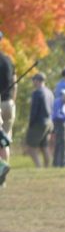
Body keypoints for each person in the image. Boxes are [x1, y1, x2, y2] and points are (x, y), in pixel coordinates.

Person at [24, 72, 53, 168]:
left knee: (30, 147)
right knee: (44, 146)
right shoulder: (49, 92)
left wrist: (30, 123)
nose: (33, 82)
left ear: (37, 80)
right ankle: (47, 167)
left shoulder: (37, 93)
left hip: (38, 123)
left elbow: (34, 110)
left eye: (34, 80)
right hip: (48, 122)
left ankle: (38, 167)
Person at [0, 31, 14, 184]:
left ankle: (0, 171)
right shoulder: (7, 60)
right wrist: (11, 101)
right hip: (8, 103)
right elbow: (14, 82)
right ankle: (3, 178)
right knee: (4, 139)